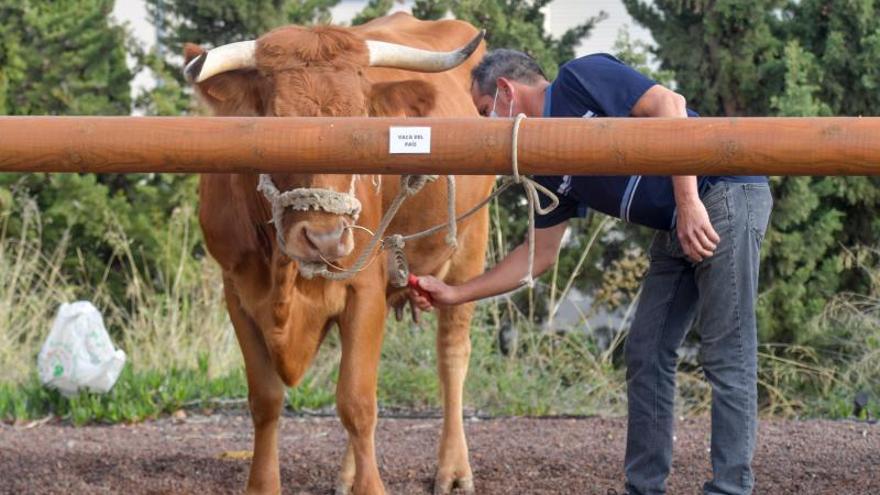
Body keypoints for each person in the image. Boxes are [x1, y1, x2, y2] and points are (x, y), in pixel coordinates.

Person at [409, 49, 773, 495]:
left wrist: (687, 201)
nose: (488, 127)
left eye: (485, 113)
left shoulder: (579, 78)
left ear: (505, 92)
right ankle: (644, 487)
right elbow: (536, 257)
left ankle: (730, 488)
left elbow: (670, 106)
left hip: (723, 189)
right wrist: (454, 293)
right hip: (681, 216)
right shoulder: (544, 164)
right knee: (645, 351)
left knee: (726, 350)